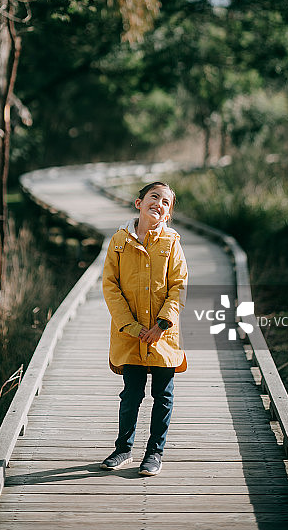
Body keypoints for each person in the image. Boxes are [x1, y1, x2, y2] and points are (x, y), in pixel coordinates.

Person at [100, 181, 188, 476]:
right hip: (130, 334)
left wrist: (162, 324)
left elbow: (179, 286)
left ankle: (154, 453)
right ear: (139, 203)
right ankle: (123, 449)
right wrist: (130, 325)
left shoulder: (171, 243)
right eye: (154, 197)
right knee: (131, 394)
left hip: (163, 334)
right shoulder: (119, 241)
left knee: (163, 395)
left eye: (166, 202)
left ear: (168, 214)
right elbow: (110, 286)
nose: (159, 204)